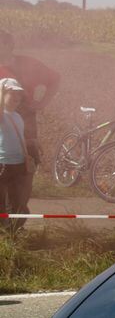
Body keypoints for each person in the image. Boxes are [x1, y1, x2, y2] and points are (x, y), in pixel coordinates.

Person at [0, 30, 60, 208]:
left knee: (24, 177)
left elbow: (55, 79)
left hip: (26, 129)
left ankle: (16, 222)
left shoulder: (28, 64)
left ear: (10, 45)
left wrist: (42, 103)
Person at [0, 78, 31, 227]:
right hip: (2, 164)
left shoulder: (18, 117)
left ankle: (13, 230)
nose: (17, 98)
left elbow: (21, 139)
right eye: (12, 94)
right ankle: (3, 231)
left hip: (18, 165)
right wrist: (1, 89)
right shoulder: (2, 115)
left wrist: (26, 157)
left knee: (16, 201)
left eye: (19, 95)